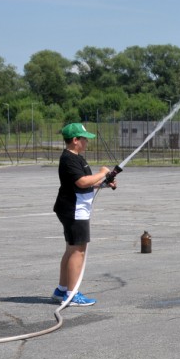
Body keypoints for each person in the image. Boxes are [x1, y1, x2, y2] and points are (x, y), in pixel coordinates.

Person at [51, 123, 116, 306]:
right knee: (78, 251)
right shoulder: (69, 159)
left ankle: (62, 290)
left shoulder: (76, 158)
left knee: (71, 250)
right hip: (74, 210)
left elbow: (86, 183)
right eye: (84, 138)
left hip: (74, 208)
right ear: (75, 140)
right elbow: (81, 182)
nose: (87, 142)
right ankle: (72, 294)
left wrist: (103, 183)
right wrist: (102, 172)